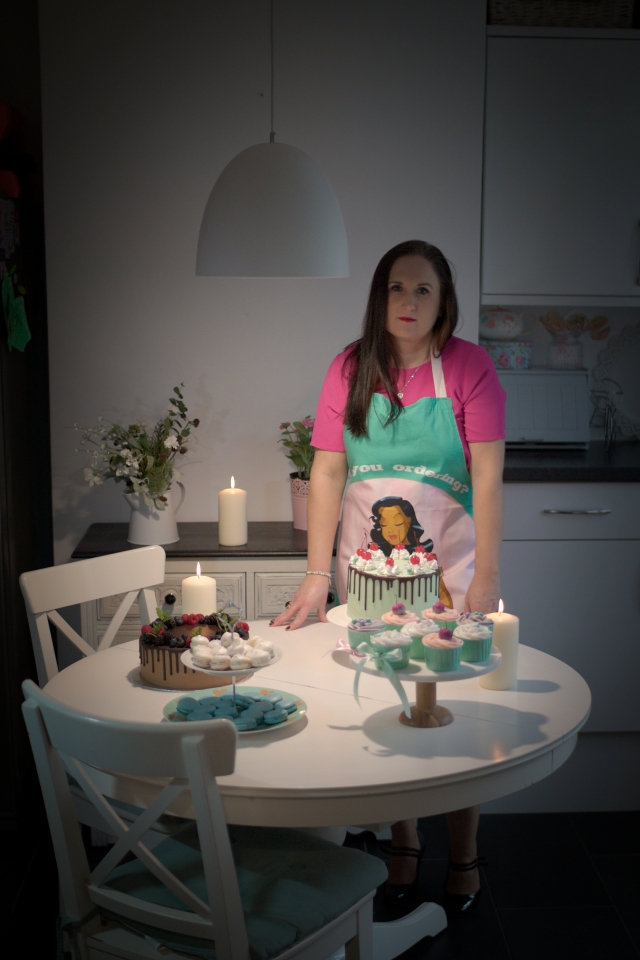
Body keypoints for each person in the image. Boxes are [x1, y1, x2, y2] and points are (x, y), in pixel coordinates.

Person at [272, 239, 505, 915]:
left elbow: (489, 477)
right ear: (380, 297)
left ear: (443, 299)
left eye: (423, 289)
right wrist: (317, 575)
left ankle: (464, 852)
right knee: (384, 698)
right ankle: (404, 843)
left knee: (458, 713)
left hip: (452, 571)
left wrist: (486, 578)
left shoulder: (469, 367)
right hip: (368, 572)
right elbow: (327, 472)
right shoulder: (350, 367)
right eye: (397, 288)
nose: (408, 302)